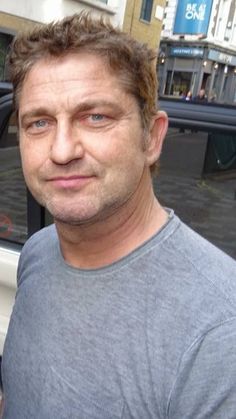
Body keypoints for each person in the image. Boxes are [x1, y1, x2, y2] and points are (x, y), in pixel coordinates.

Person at [1, 12, 236, 418]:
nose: (62, 151)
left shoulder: (219, 332)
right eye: (38, 123)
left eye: (96, 117)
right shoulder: (39, 253)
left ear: (152, 137)